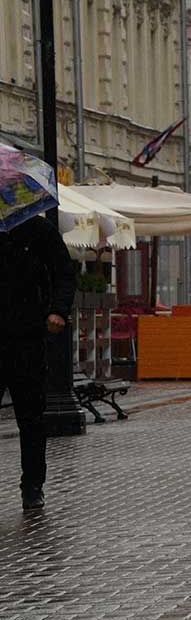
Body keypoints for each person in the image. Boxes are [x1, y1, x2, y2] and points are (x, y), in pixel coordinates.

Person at [0, 214, 75, 510]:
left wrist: (58, 310)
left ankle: (32, 485)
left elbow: (64, 273)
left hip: (27, 338)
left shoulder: (37, 229)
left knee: (31, 417)